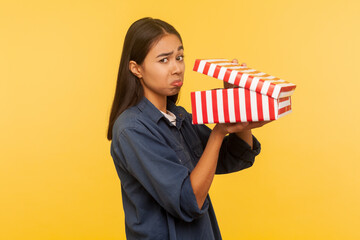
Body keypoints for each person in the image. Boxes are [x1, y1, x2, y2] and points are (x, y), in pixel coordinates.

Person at [107, 17, 269, 240]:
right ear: (136, 69)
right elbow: (189, 201)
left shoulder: (179, 116)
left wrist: (236, 102)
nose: (177, 68)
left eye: (179, 57)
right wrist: (218, 131)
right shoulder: (132, 129)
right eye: (164, 60)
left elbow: (236, 156)